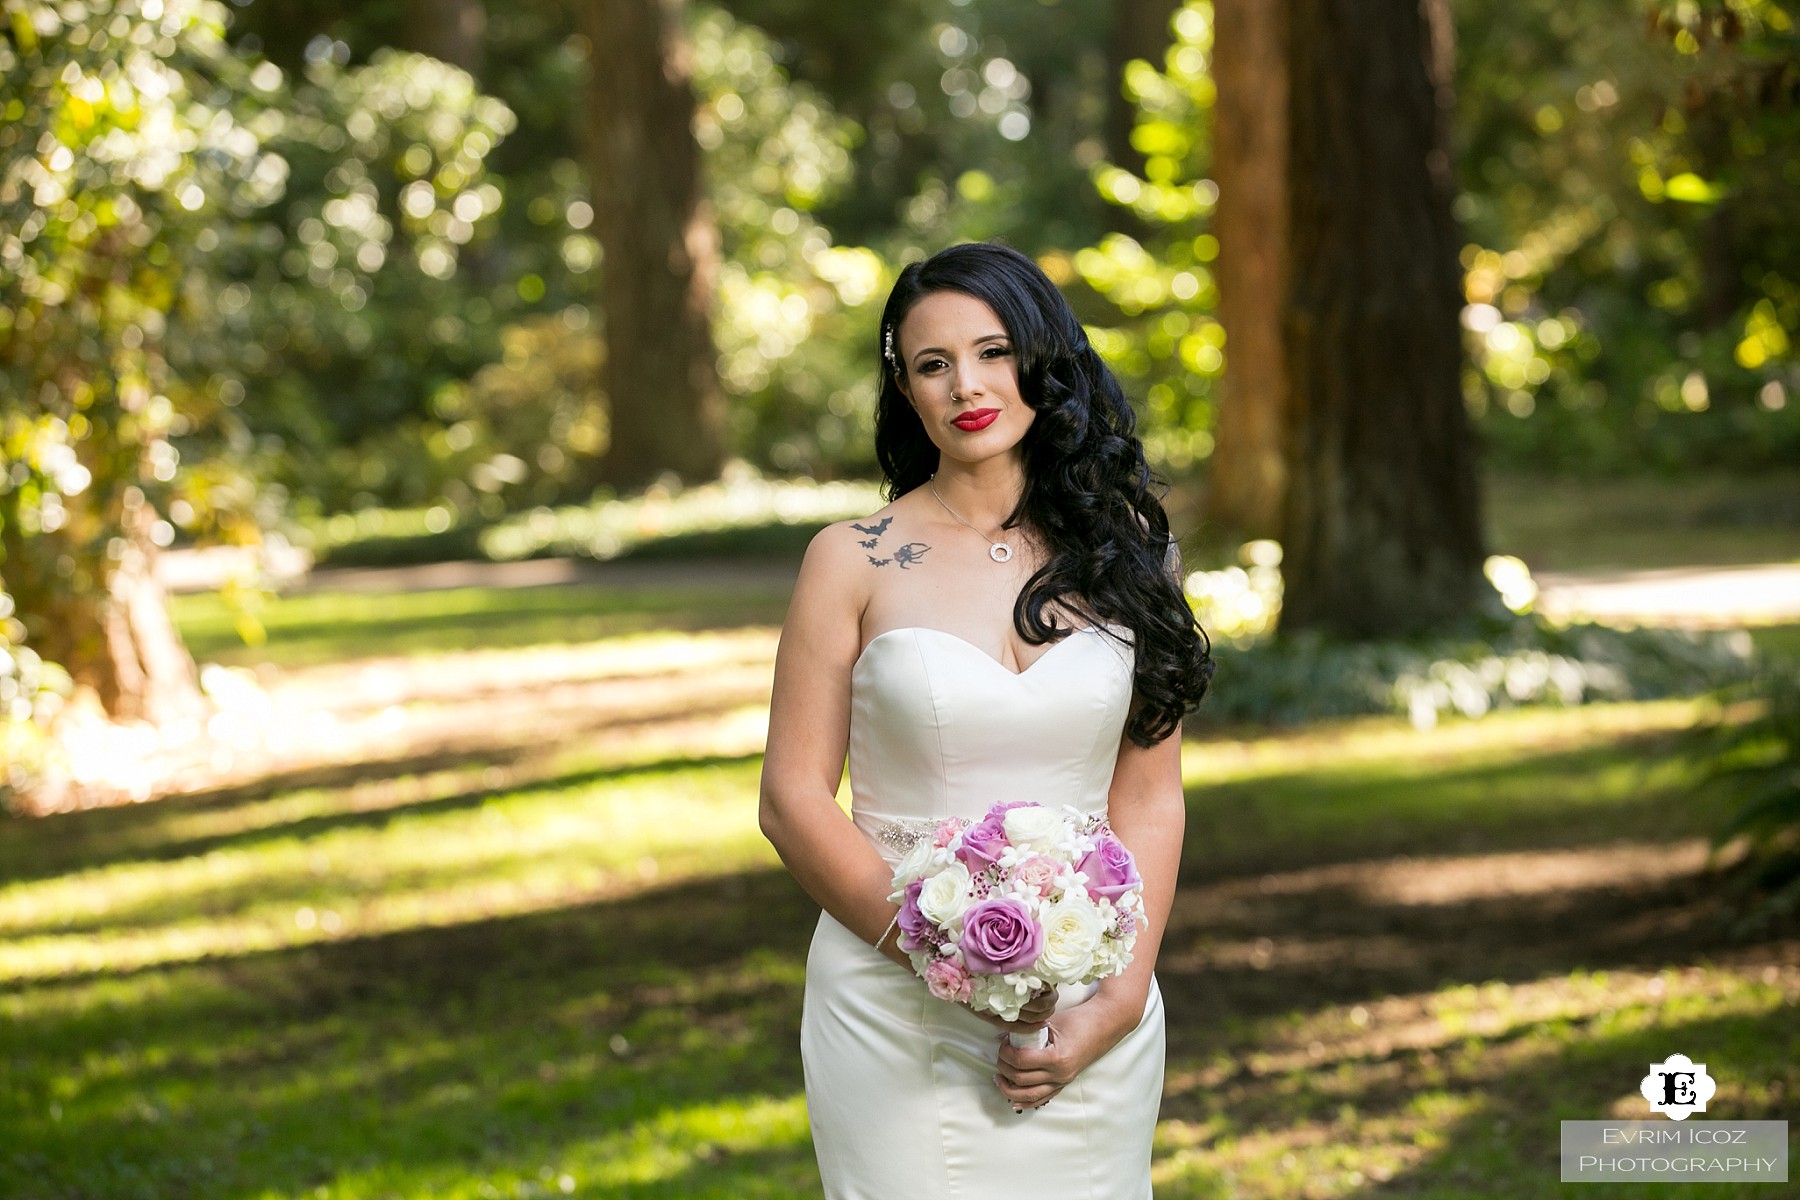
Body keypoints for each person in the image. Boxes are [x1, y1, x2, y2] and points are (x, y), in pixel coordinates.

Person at [759, 241, 1213, 1199]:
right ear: (907, 390)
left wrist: (1120, 1001)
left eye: (993, 351)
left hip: (1087, 1008)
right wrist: (946, 955)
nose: (967, 384)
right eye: (933, 364)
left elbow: (1151, 799)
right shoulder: (851, 559)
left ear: (1043, 360)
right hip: (891, 1004)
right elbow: (793, 801)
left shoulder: (1132, 556)